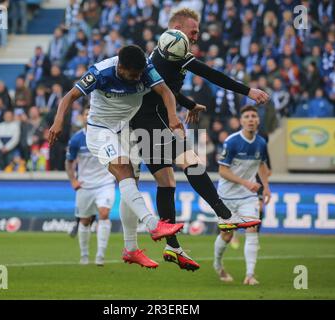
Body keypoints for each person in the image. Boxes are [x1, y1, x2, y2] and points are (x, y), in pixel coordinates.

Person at [130, 8, 269, 271]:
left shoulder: (162, 50)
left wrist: (189, 104)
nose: (197, 35)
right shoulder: (176, 49)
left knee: (166, 181)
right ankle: (225, 214)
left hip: (144, 121)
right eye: (193, 30)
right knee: (191, 162)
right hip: (154, 121)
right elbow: (212, 75)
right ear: (178, 28)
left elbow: (164, 88)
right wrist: (247, 90)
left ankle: (172, 245)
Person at [48, 45, 185, 269]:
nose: (137, 78)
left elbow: (166, 92)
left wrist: (172, 116)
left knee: (131, 184)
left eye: (139, 74)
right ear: (120, 67)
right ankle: (153, 224)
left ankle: (130, 249)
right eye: (132, 75)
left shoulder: (146, 69)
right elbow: (69, 97)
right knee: (124, 170)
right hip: (100, 130)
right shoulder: (100, 72)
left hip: (125, 130)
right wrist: (58, 121)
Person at [213, 105, 271, 286]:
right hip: (227, 196)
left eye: (254, 116)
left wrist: (266, 187)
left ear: (258, 120)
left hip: (248, 196)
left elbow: (262, 165)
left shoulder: (261, 143)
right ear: (241, 121)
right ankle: (217, 264)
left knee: (251, 229)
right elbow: (223, 171)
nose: (251, 119)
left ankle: (250, 274)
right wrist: (246, 182)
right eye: (247, 116)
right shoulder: (232, 142)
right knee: (227, 236)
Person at [65, 108, 115, 266]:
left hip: (105, 183)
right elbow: (69, 162)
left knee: (104, 213)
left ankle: (100, 255)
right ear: (82, 117)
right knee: (85, 221)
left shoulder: (106, 136)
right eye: (86, 113)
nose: (89, 116)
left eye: (91, 113)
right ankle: (84, 255)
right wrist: (73, 180)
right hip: (85, 185)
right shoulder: (76, 139)